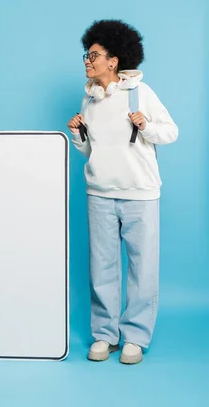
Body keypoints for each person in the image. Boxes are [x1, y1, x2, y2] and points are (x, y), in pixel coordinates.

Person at [68, 19, 178, 365]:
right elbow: (90, 152)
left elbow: (171, 132)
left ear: (113, 60)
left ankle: (135, 336)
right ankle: (105, 335)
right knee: (102, 268)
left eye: (93, 55)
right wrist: (78, 133)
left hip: (140, 194)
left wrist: (146, 126)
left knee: (142, 268)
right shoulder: (90, 99)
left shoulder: (141, 93)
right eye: (86, 54)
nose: (87, 60)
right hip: (99, 192)